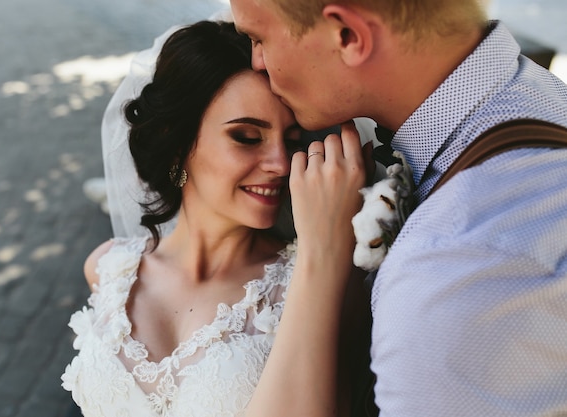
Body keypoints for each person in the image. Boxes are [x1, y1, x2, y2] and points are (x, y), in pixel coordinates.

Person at [229, 1, 567, 416]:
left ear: (348, 36)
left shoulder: (450, 273)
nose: (256, 61)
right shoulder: (542, 96)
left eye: (257, 38)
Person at [61, 20, 373, 417]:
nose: (280, 163)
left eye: (292, 142)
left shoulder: (319, 281)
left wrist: (324, 250)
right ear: (178, 144)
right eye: (246, 137)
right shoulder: (107, 268)